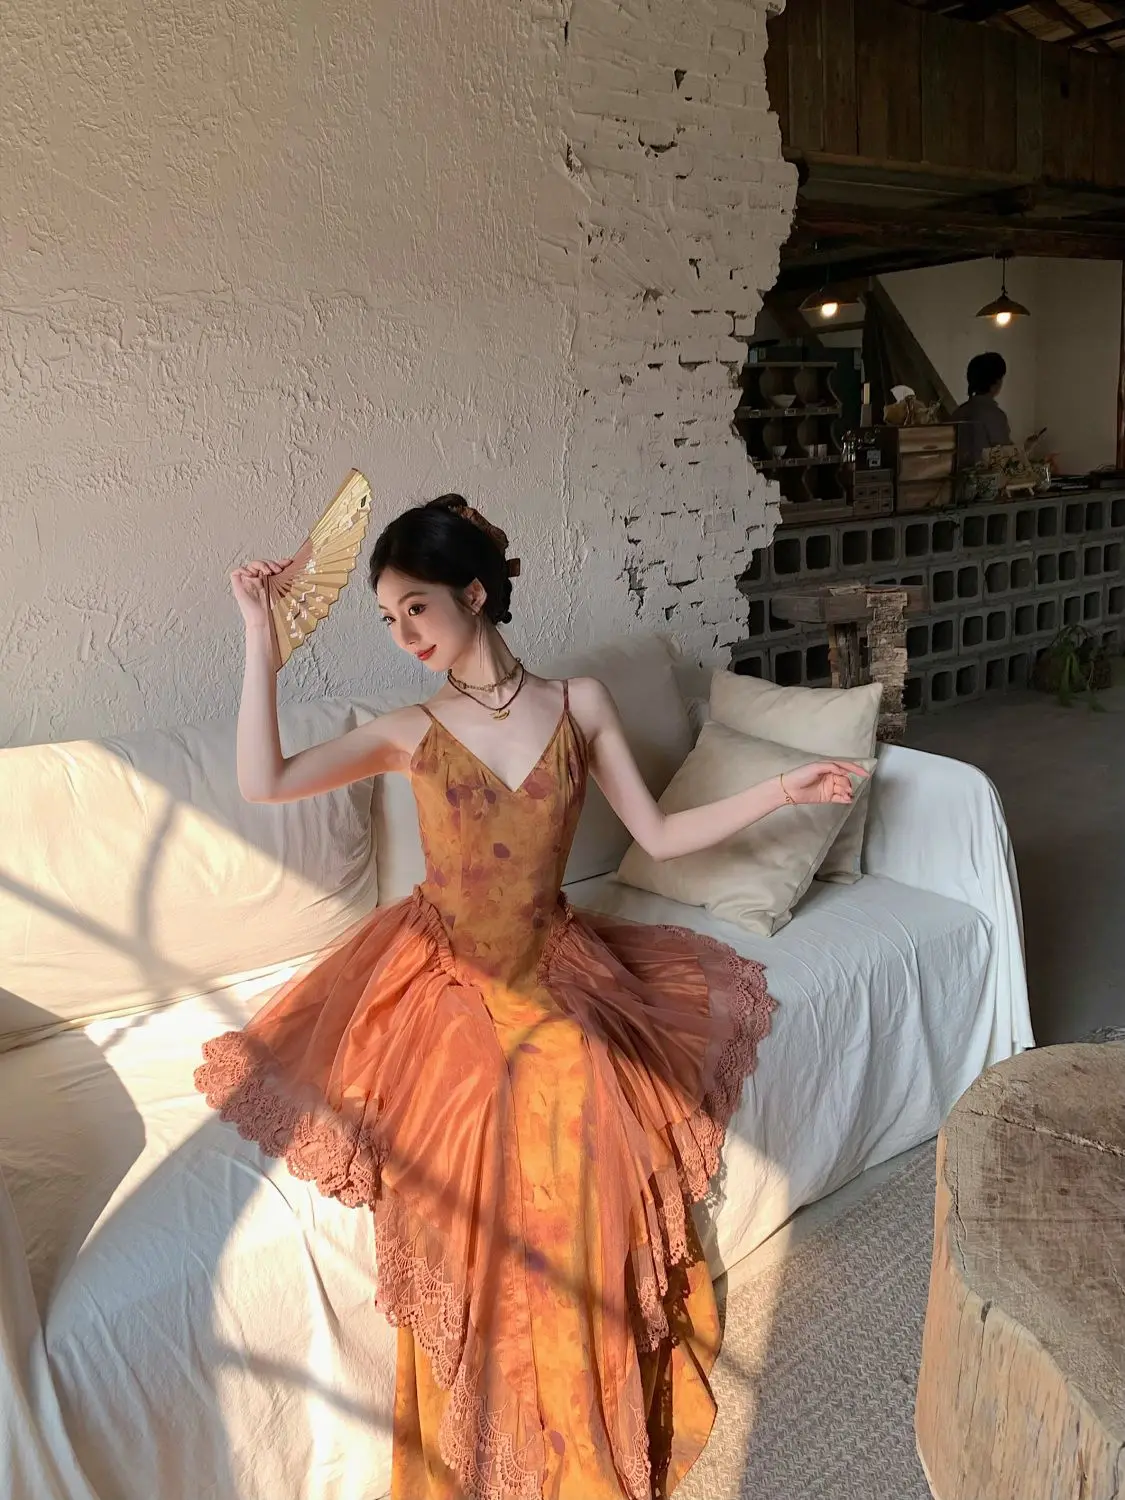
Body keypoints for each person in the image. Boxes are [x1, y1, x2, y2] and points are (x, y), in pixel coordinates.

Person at [195, 494, 867, 1500]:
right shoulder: (410, 728)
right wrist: (260, 638)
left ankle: (581, 1403)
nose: (404, 636)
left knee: (589, 1111)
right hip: (445, 977)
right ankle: (498, 1429)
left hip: (553, 963)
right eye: (388, 618)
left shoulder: (579, 703)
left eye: (416, 608)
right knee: (479, 1144)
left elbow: (660, 834)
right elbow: (264, 780)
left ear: (475, 593)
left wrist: (784, 790)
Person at [952, 351, 1012, 468]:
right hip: (986, 478)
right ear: (997, 382)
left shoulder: (957, 413)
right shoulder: (996, 416)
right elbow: (1005, 459)